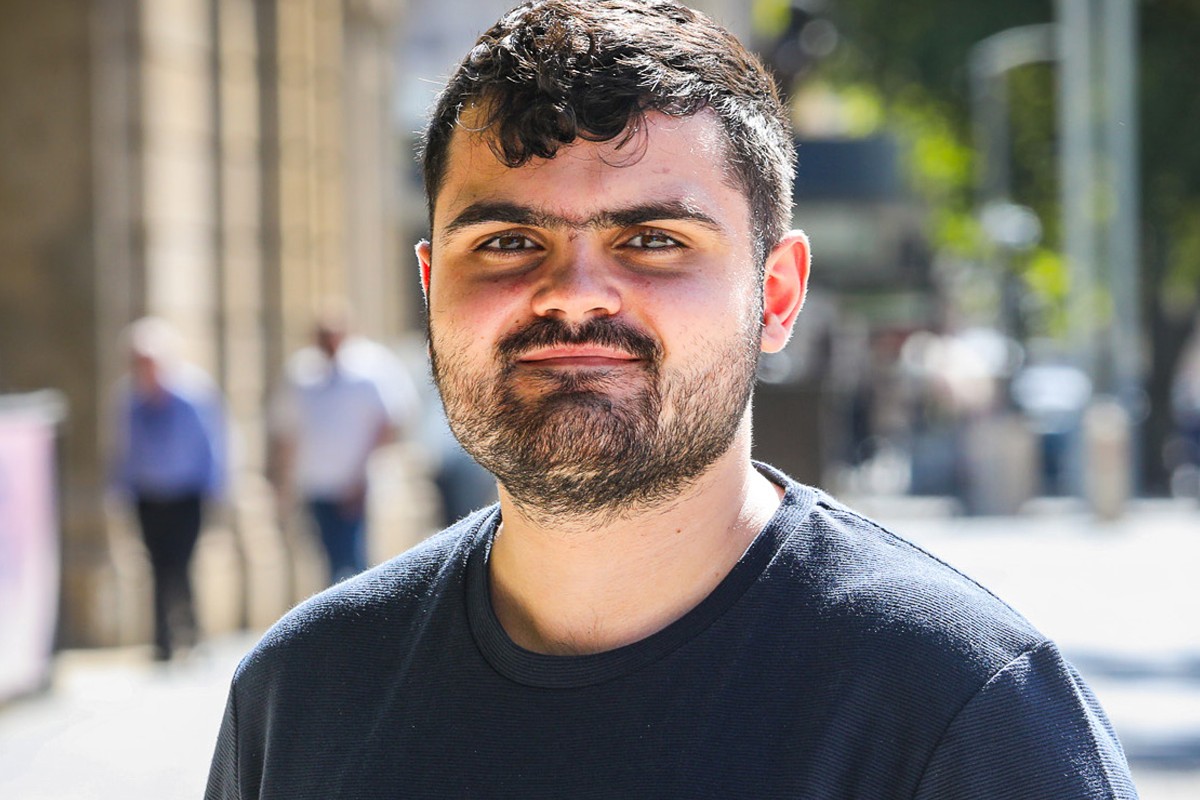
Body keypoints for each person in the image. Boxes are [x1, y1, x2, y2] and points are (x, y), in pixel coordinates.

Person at [208, 2, 1138, 797]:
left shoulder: (961, 709)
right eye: (504, 241)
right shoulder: (302, 697)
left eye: (652, 240)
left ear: (776, 295)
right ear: (429, 287)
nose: (573, 292)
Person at [269, 307, 415, 584]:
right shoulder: (301, 374)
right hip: (316, 482)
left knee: (356, 558)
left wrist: (361, 474)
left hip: (358, 485)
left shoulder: (371, 370)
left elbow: (389, 423)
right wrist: (283, 482)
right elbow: (286, 431)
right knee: (327, 555)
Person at [113, 317, 226, 661]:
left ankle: (191, 632)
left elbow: (212, 446)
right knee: (157, 566)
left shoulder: (192, 396)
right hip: (147, 497)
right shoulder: (129, 400)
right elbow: (122, 450)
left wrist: (216, 490)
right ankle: (162, 640)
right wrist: (120, 491)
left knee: (182, 563)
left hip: (186, 495)